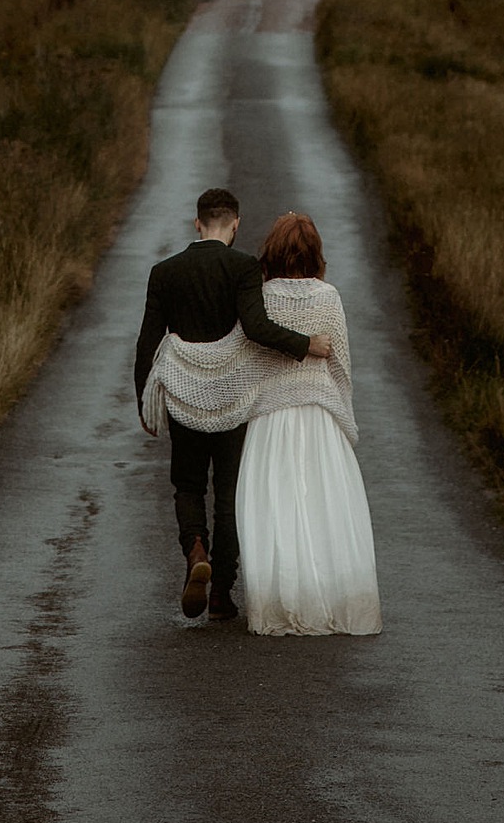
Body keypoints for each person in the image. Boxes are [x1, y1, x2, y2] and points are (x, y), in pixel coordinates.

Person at [135, 186, 333, 622]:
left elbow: (148, 341)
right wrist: (307, 345)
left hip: (183, 394)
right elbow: (258, 327)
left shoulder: (164, 271)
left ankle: (195, 550)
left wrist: (143, 402)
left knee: (187, 485)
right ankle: (222, 591)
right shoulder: (243, 267)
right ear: (236, 224)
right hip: (232, 397)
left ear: (197, 222)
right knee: (229, 494)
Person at [234, 211, 381, 636]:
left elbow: (246, 356)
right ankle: (332, 596)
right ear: (315, 252)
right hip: (318, 415)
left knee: (276, 507)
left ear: (273, 252)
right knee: (322, 505)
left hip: (271, 417)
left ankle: (280, 600)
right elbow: (341, 364)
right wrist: (342, 412)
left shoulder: (260, 296)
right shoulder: (328, 297)